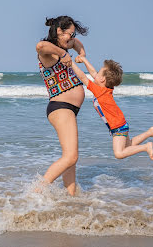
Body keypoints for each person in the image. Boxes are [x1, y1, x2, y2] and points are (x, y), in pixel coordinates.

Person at [71, 56, 153, 160]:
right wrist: (84, 60)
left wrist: (70, 63)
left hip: (117, 126)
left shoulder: (100, 91)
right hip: (120, 123)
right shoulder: (105, 88)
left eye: (99, 72)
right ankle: (150, 132)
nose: (96, 74)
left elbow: (83, 77)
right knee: (128, 146)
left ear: (102, 79)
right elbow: (93, 72)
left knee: (119, 154)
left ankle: (146, 147)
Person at [36, 15, 88, 196]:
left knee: (71, 159)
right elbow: (40, 46)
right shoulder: (50, 53)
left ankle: (71, 198)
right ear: (58, 31)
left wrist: (81, 54)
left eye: (73, 34)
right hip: (60, 106)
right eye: (69, 34)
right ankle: (36, 191)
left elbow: (77, 43)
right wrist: (64, 54)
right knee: (71, 156)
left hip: (69, 109)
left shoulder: (65, 45)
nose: (71, 38)